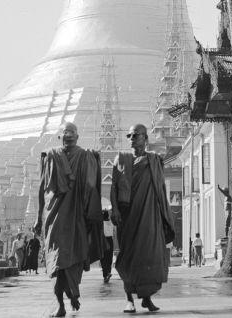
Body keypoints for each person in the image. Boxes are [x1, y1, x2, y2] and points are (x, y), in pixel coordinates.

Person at [34, 122, 104, 318]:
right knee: (57, 261)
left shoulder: (85, 157)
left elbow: (91, 186)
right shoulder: (51, 156)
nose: (69, 135)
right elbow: (42, 189)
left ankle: (72, 293)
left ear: (78, 137)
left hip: (76, 217)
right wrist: (39, 216)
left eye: (72, 133)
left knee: (72, 261)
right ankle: (60, 303)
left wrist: (92, 213)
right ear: (60, 137)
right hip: (54, 217)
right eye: (65, 133)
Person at [111, 123, 174, 314]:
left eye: (136, 135)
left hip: (149, 217)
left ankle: (146, 299)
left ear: (145, 138)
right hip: (128, 217)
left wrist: (163, 214)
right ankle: (129, 299)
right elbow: (113, 187)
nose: (132, 138)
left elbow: (161, 190)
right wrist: (114, 209)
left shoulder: (155, 160)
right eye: (129, 135)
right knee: (128, 257)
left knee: (148, 256)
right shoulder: (121, 159)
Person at [101, 208, 114, 283]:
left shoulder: (101, 223)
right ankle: (108, 272)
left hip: (103, 241)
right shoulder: (111, 222)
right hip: (110, 240)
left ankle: (105, 275)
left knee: (103, 258)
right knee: (109, 257)